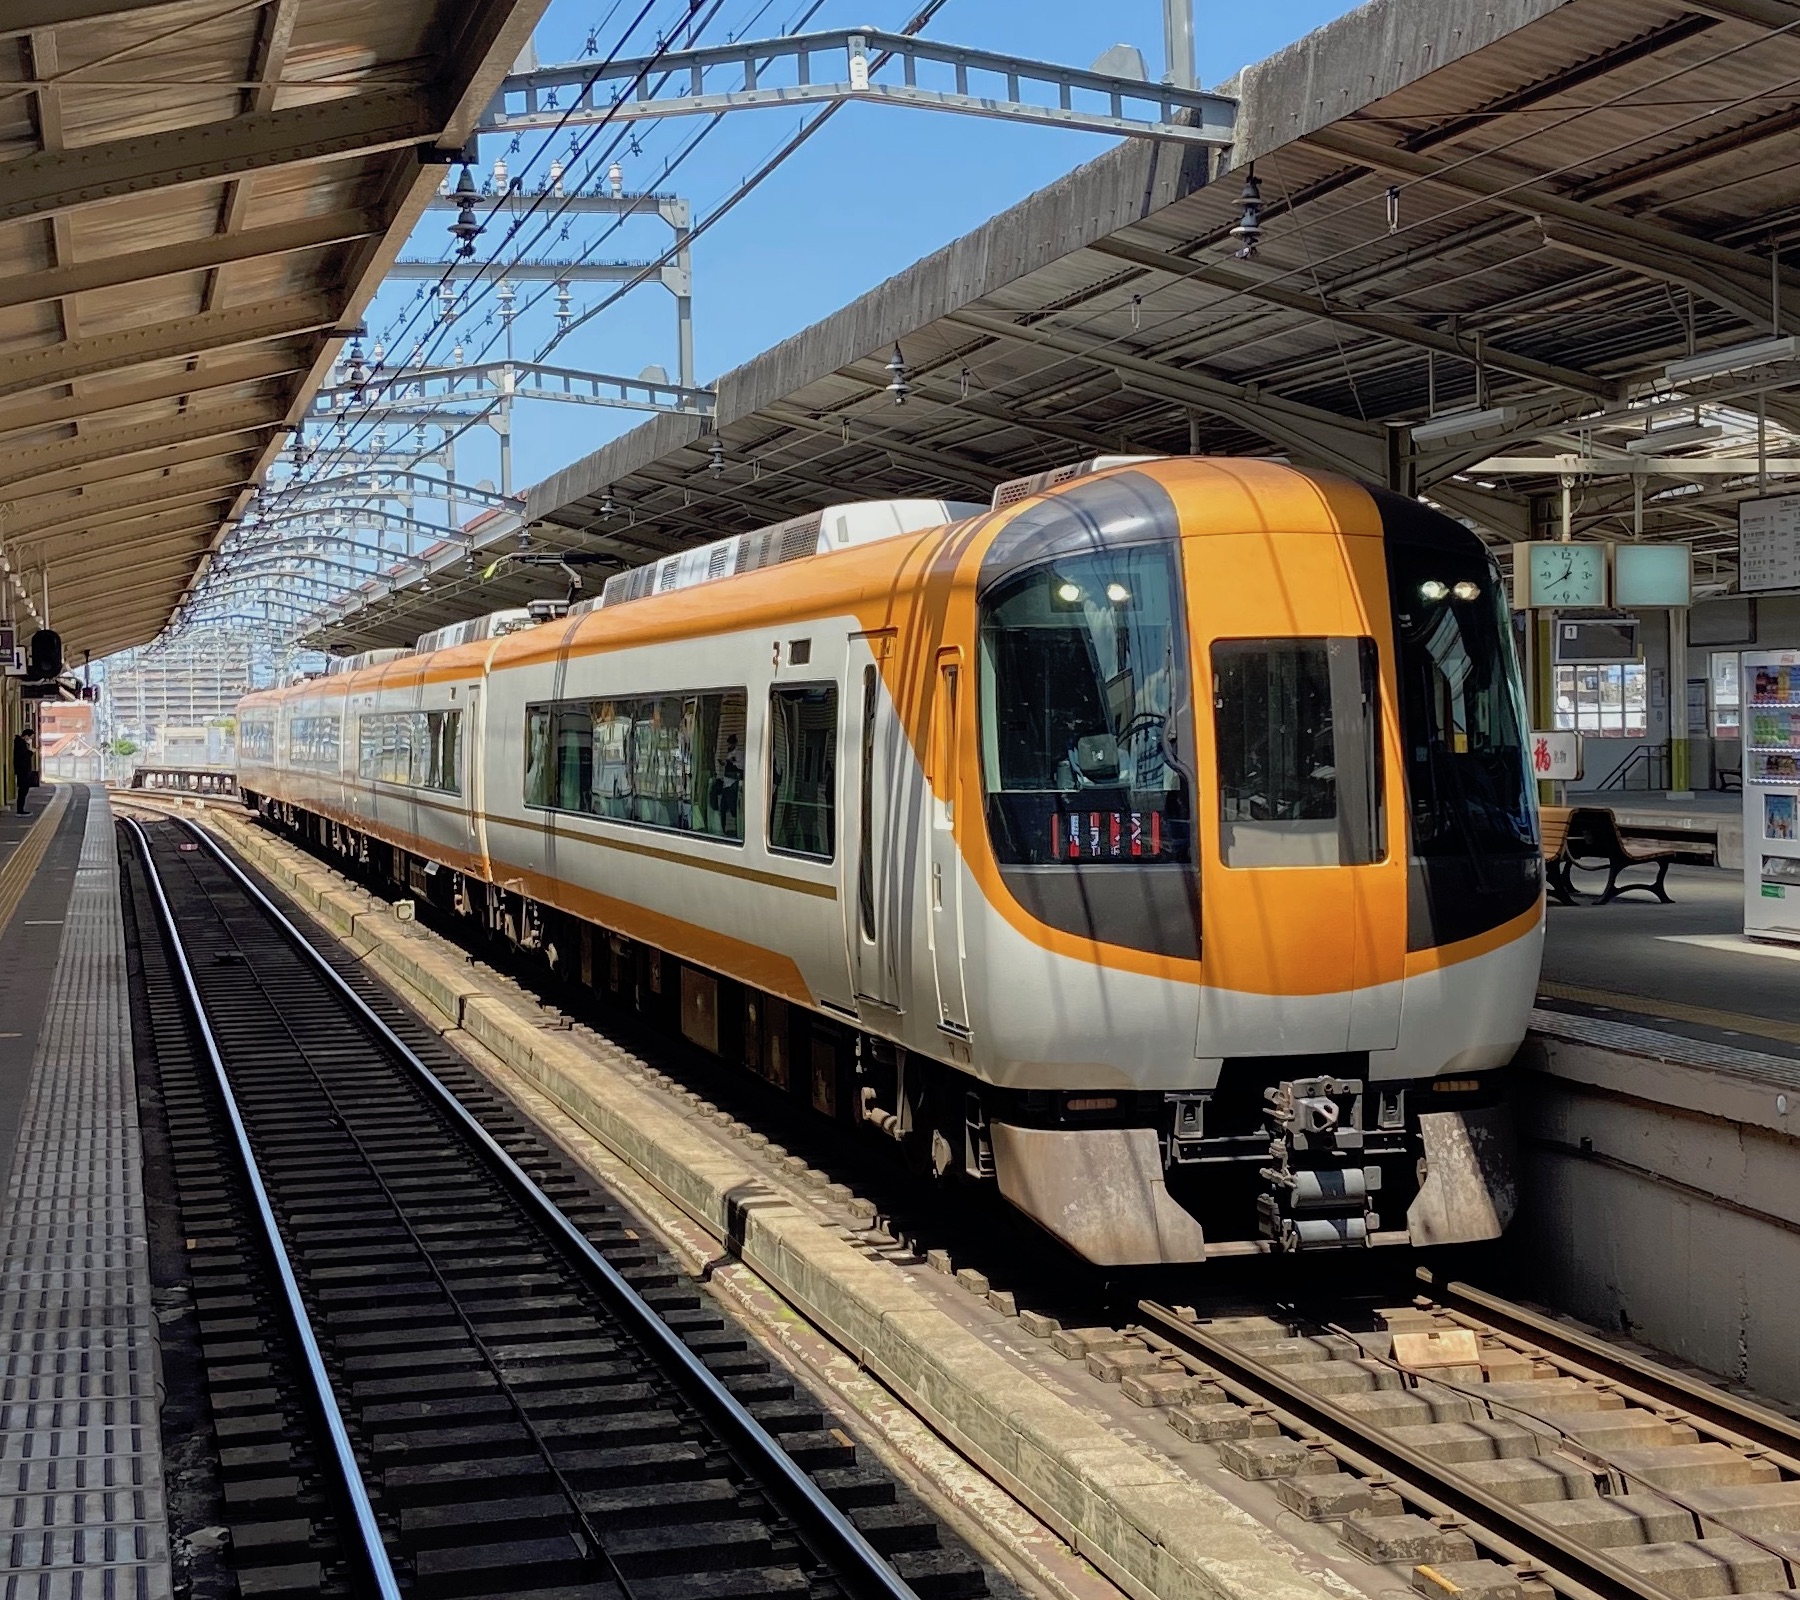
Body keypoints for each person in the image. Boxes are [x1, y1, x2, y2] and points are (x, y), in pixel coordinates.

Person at [12, 731, 35, 814]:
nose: (30, 739)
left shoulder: (20, 743)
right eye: (30, 737)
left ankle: (20, 809)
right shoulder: (20, 744)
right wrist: (31, 752)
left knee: (23, 790)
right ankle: (20, 810)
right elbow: (24, 756)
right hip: (22, 771)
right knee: (23, 790)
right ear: (26, 736)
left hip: (22, 771)